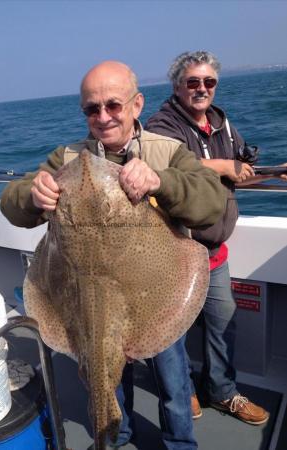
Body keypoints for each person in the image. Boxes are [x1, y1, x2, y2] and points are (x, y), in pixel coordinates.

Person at [0, 60, 227, 450]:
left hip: (155, 294)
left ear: (137, 105)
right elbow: (12, 204)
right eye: (92, 108)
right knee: (102, 379)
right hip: (82, 297)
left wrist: (162, 181)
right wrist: (31, 195)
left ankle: (179, 443)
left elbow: (212, 201)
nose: (103, 117)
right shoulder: (68, 158)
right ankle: (115, 438)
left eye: (113, 105)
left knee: (174, 382)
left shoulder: (168, 151)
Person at [145, 50, 273, 426]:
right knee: (172, 330)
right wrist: (220, 165)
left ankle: (222, 391)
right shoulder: (162, 124)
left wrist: (274, 175)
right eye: (193, 82)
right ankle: (182, 391)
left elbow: (239, 171)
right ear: (177, 86)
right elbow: (163, 166)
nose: (202, 89)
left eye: (209, 82)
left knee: (222, 320)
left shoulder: (222, 123)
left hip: (214, 252)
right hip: (175, 251)